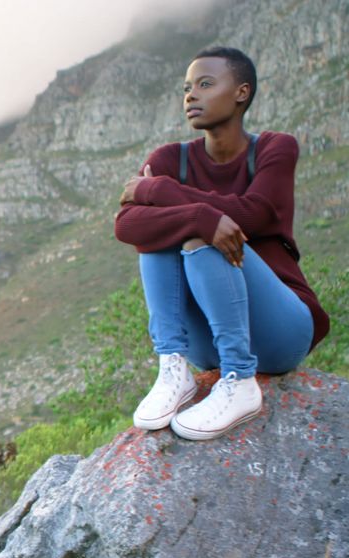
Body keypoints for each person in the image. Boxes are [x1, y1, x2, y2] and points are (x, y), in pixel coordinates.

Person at [114, 46, 329, 441]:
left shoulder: (275, 148)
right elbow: (127, 225)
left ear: (241, 92)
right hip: (205, 340)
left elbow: (253, 215)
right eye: (186, 88)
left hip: (280, 330)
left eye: (205, 84)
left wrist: (159, 191)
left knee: (198, 237)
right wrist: (198, 216)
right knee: (161, 234)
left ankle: (240, 381)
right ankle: (174, 370)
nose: (190, 96)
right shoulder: (170, 159)